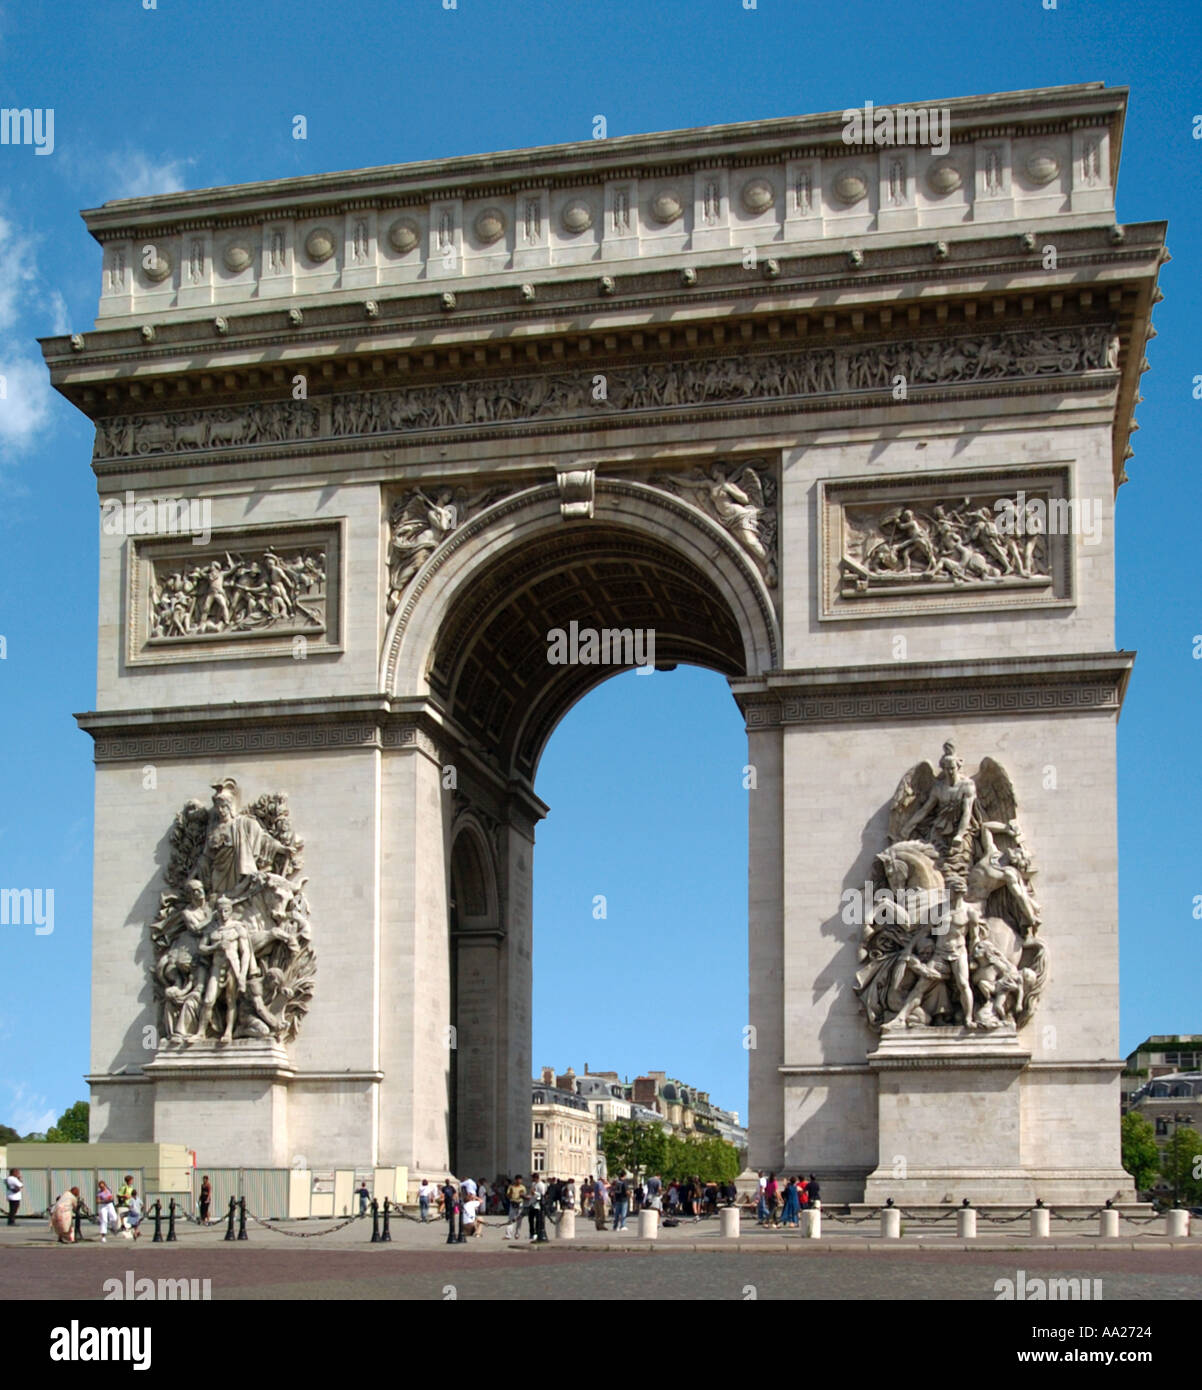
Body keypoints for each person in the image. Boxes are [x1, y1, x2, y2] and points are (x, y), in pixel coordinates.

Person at [504, 1175, 526, 1239]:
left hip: (520, 1203)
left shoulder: (522, 1187)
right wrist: (510, 1194)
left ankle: (517, 1234)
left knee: (519, 1220)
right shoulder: (511, 1187)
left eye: (520, 1180)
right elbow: (508, 1196)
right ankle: (508, 1235)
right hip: (513, 1203)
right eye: (518, 1180)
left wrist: (523, 1195)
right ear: (515, 1180)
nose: (519, 1181)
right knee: (510, 1219)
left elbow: (524, 1195)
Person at [443, 1178, 458, 1245]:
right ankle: (450, 1217)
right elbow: (455, 1192)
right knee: (450, 1209)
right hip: (450, 1199)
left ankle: (447, 1218)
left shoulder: (444, 1188)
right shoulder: (451, 1187)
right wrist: (454, 1198)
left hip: (447, 1199)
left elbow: (443, 1193)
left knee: (447, 1209)